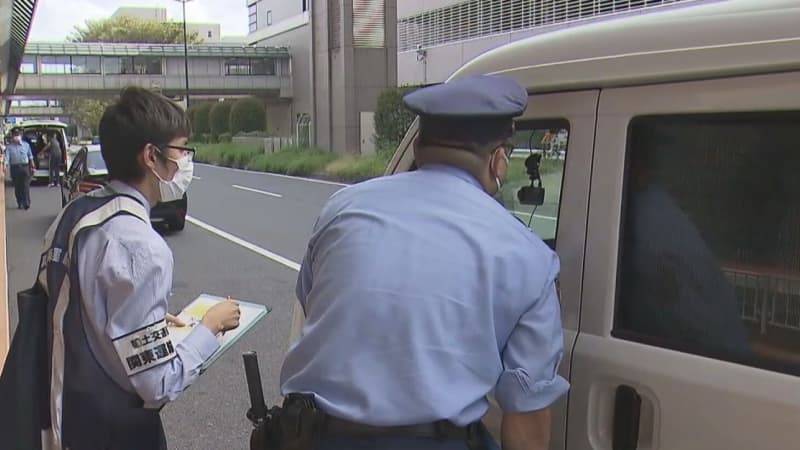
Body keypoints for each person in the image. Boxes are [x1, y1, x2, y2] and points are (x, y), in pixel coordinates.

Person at [277, 75, 569, 450]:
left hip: (313, 436)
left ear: (418, 145)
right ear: (498, 161)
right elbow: (526, 413)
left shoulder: (343, 207)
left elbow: (310, 297)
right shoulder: (529, 255)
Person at [39, 86, 242, 450]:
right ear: (152, 155)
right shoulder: (140, 246)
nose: (185, 162)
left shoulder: (75, 215)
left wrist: (153, 322)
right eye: (182, 150)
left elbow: (83, 311)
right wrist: (210, 327)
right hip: (117, 433)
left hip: (66, 416)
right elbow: (157, 383)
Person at [4, 128, 34, 209]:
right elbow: (7, 158)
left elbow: (30, 156)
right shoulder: (9, 147)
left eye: (18, 135)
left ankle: (26, 202)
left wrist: (32, 166)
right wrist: (5, 166)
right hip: (15, 168)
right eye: (15, 135)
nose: (16, 137)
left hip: (25, 167)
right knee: (18, 187)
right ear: (12, 136)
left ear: (20, 135)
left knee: (25, 185)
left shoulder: (26, 145)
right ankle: (19, 201)